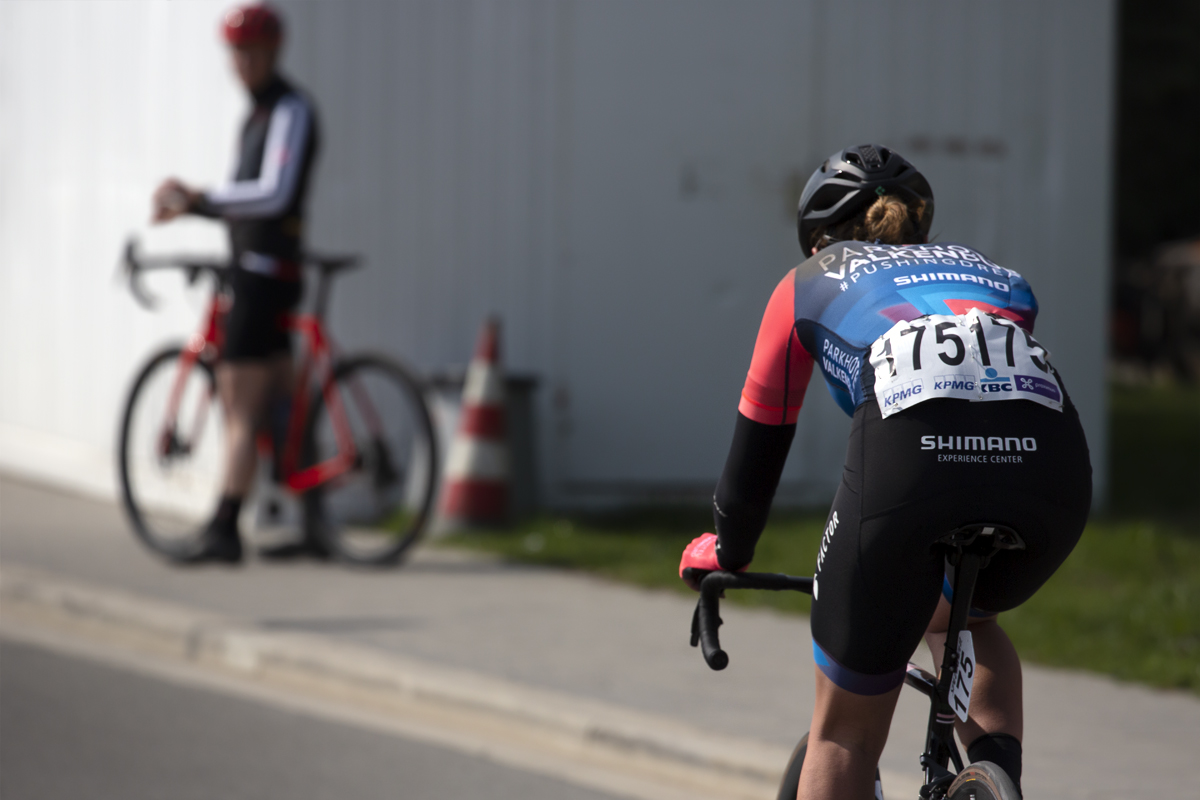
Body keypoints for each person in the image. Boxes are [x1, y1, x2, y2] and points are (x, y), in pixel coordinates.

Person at [679, 144, 1091, 799]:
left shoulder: (807, 281)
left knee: (844, 732)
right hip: (1055, 479)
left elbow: (761, 440)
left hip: (910, 470)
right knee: (965, 617)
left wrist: (729, 548)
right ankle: (994, 783)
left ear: (818, 239)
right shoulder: (999, 276)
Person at [152, 3, 321, 563]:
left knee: (239, 407)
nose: (242, 64)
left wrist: (199, 199)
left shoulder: (289, 109)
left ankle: (225, 528)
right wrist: (198, 208)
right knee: (281, 404)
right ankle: (313, 520)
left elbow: (272, 194)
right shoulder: (257, 114)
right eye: (236, 54)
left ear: (273, 54)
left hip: (263, 276)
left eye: (252, 54)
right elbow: (241, 198)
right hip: (257, 269)